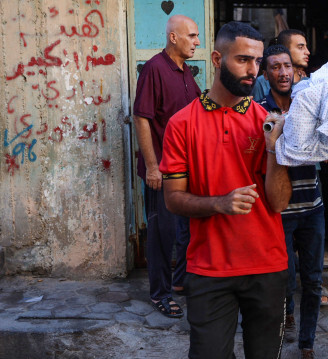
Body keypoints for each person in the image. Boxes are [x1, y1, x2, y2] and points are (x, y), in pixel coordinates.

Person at [159, 22, 292, 358]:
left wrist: (275, 149)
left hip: (267, 266)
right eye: (243, 60)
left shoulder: (267, 121)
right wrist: (220, 203)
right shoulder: (182, 123)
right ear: (217, 58)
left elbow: (279, 202)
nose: (253, 70)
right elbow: (173, 199)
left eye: (258, 61)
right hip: (208, 269)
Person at [258, 44, 325, 359]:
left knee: (313, 280)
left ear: (294, 68)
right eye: (275, 67)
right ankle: (284, 323)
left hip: (312, 206)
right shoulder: (259, 109)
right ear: (266, 72)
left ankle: (307, 342)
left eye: (287, 65)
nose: (283, 72)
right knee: (284, 279)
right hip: (279, 210)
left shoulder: (309, 102)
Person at [133, 14, 201, 318]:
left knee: (185, 231)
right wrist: (152, 166)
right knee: (162, 233)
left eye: (197, 36)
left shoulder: (185, 72)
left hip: (186, 169)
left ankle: (179, 283)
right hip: (162, 170)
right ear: (173, 37)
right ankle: (159, 293)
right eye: (192, 36)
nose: (197, 42)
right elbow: (142, 117)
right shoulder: (154, 69)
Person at [252, 29, 310, 102]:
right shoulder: (262, 83)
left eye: (306, 47)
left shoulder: (309, 83)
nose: (307, 52)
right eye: (300, 47)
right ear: (285, 48)